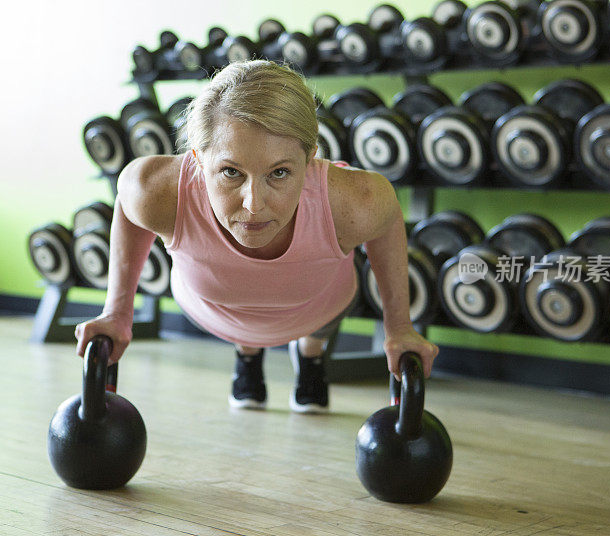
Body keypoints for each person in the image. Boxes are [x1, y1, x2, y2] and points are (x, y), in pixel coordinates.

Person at [75, 59, 439, 413]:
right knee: (241, 304)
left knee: (319, 319)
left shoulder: (356, 201)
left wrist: (400, 327)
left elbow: (389, 219)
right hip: (216, 311)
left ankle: (311, 356)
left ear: (311, 159)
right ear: (199, 160)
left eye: (279, 173)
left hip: (316, 309)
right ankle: (247, 352)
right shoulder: (158, 190)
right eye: (231, 172)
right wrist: (117, 312)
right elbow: (127, 203)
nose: (254, 205)